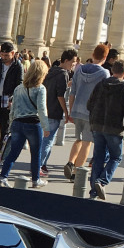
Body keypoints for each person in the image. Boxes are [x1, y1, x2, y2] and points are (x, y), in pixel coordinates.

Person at [85, 58, 124, 200]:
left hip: (97, 125)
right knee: (115, 157)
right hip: (114, 127)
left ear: (113, 71)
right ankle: (102, 181)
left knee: (98, 157)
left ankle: (93, 191)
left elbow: (90, 104)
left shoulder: (101, 84)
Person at [0, 58, 50, 188]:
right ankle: (35, 180)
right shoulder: (40, 88)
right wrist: (46, 126)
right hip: (33, 123)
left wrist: (11, 123)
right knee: (36, 153)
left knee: (13, 152)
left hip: (17, 122)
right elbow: (42, 108)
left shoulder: (19, 88)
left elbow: (13, 108)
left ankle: (3, 177)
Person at [64, 43, 110, 178]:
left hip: (77, 109)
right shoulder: (104, 73)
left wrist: (71, 110)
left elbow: (72, 92)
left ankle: (71, 162)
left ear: (92, 55)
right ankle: (77, 171)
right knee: (87, 143)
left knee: (78, 139)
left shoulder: (80, 69)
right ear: (105, 57)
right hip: (92, 113)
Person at [42, 48, 77, 178]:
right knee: (48, 141)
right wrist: (66, 112)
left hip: (44, 109)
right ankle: (39, 166)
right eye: (73, 62)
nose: (74, 64)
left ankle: (42, 164)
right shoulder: (63, 74)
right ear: (66, 60)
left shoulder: (51, 71)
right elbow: (60, 95)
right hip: (54, 111)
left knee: (44, 140)